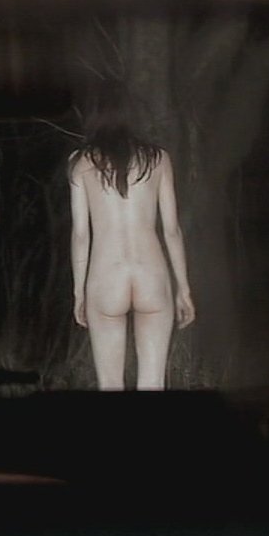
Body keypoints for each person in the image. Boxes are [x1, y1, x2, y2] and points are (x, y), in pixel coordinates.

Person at [69, 108, 194, 391]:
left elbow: (80, 234)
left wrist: (79, 293)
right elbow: (171, 230)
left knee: (110, 385)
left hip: (106, 277)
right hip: (152, 275)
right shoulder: (158, 159)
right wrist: (183, 289)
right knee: (153, 384)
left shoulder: (80, 163)